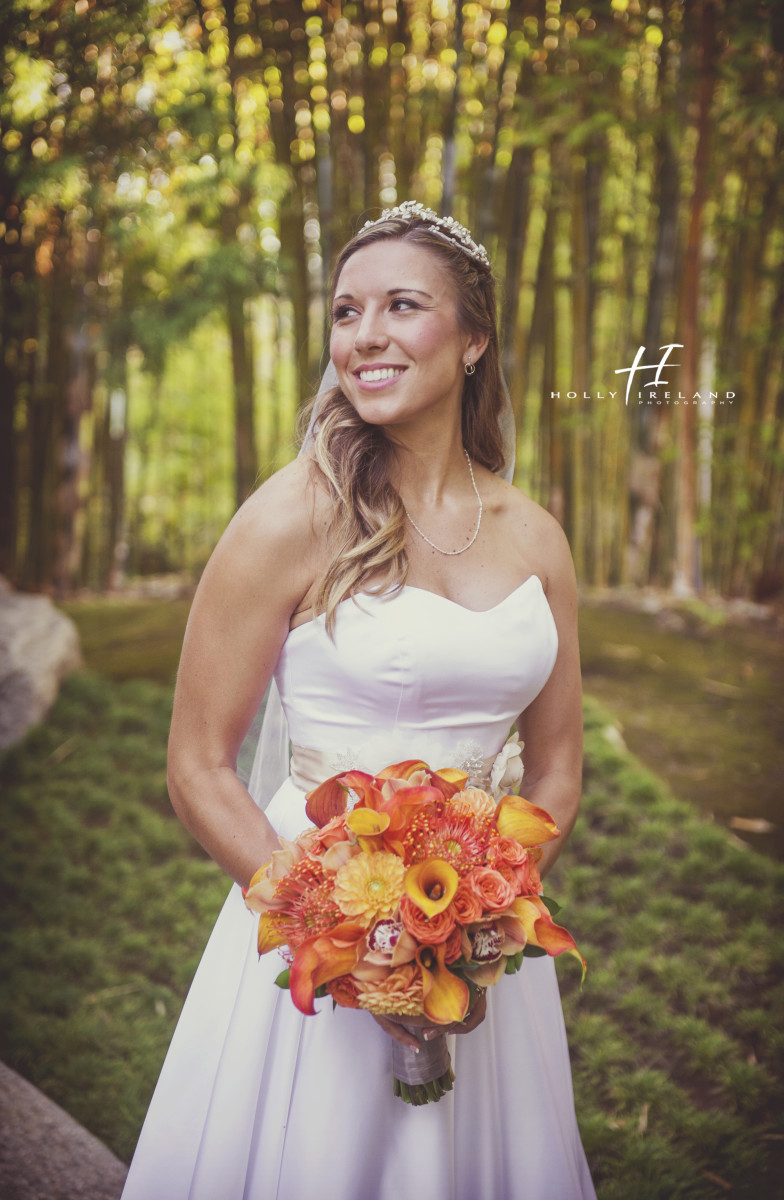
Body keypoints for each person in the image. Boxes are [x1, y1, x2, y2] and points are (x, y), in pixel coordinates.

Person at [121, 202, 596, 1200]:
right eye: (346, 311)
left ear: (473, 340)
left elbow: (556, 763)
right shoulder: (290, 517)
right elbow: (197, 765)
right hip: (309, 928)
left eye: (401, 306)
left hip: (479, 944)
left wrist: (484, 919)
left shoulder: (536, 536)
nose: (364, 334)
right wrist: (341, 942)